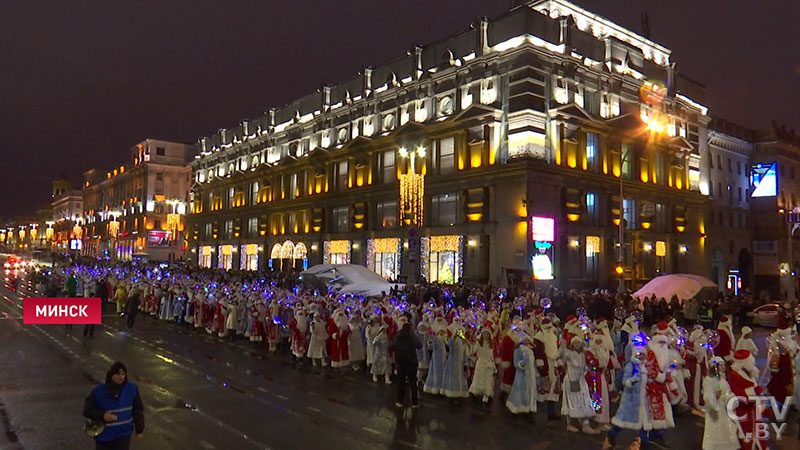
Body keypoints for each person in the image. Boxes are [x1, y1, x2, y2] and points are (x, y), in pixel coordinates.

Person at [83, 361, 144, 450]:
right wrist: (103, 415)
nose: (121, 377)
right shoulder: (98, 391)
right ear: (111, 375)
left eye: (123, 374)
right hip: (104, 435)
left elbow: (137, 409)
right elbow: (87, 410)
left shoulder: (132, 389)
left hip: (123, 434)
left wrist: (139, 429)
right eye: (117, 374)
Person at [701, 357, 740, 450]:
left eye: (723, 365)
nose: (723, 367)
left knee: (724, 429)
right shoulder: (709, 380)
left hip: (723, 409)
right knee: (715, 430)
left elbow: (727, 393)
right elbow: (707, 396)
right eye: (721, 365)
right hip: (714, 411)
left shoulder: (722, 380)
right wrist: (714, 395)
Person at [505, 332, 537, 421]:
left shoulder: (531, 351)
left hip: (530, 376)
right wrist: (522, 363)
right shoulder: (518, 350)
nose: (526, 341)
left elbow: (533, 364)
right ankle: (515, 409)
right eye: (525, 340)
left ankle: (528, 410)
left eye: (528, 340)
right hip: (521, 375)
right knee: (520, 393)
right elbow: (516, 363)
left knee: (529, 393)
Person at [391, 321, 422, 407]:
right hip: (411, 362)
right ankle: (414, 402)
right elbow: (419, 345)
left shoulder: (398, 336)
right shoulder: (412, 336)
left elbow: (392, 346)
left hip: (401, 362)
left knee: (401, 382)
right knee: (413, 383)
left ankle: (400, 400)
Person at [469, 329, 496, 409]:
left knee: (488, 381)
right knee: (478, 380)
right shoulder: (478, 344)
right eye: (484, 334)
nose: (485, 335)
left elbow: (493, 356)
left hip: (489, 366)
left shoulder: (491, 345)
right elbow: (472, 351)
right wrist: (471, 345)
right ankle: (475, 396)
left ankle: (485, 398)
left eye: (487, 334)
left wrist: (494, 366)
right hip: (480, 365)